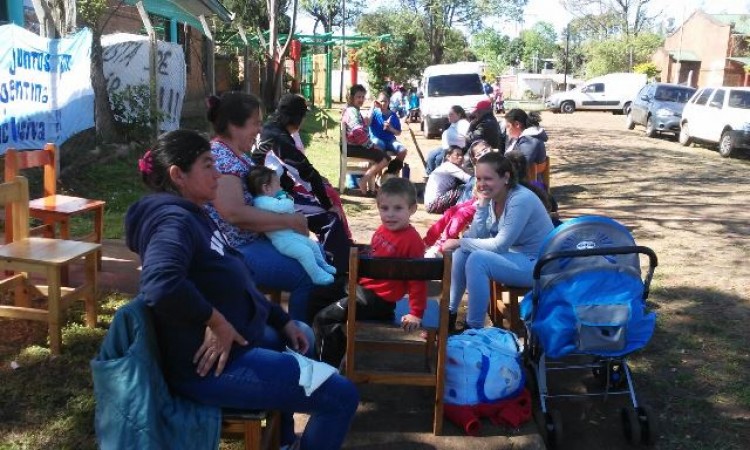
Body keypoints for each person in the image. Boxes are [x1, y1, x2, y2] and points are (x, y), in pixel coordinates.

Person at [125, 130, 359, 450]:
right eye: (208, 165)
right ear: (178, 175)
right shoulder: (173, 221)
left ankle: (283, 441)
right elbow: (160, 283)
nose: (217, 174)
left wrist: (280, 319)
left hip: (240, 340)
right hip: (210, 367)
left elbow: (238, 284)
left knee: (301, 333)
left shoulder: (195, 214)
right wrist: (215, 321)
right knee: (342, 396)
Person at [204, 92, 315, 322]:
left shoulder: (238, 155)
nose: (259, 129)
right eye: (255, 123)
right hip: (234, 251)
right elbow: (234, 213)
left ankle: (292, 330)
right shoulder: (220, 157)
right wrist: (289, 221)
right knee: (308, 274)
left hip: (252, 242)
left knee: (315, 256)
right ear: (234, 125)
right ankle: (299, 337)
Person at [312, 178, 426, 367]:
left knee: (324, 319)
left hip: (377, 301)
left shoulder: (412, 241)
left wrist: (416, 312)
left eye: (398, 208)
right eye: (385, 208)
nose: (390, 214)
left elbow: (418, 279)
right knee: (316, 296)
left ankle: (328, 368)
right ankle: (314, 348)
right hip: (360, 287)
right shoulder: (382, 230)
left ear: (412, 209)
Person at [442, 152, 554, 330]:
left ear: (506, 178)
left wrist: (459, 242)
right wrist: (482, 205)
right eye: (478, 178)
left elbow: (500, 244)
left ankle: (474, 328)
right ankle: (448, 314)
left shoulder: (520, 199)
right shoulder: (493, 198)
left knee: (477, 259)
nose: (481, 184)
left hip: (539, 266)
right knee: (463, 252)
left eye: (488, 178)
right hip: (516, 256)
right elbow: (475, 236)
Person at [254, 93, 353, 250]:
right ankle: (338, 262)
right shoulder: (280, 138)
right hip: (274, 199)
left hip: (270, 191)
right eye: (303, 116)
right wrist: (327, 205)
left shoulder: (269, 129)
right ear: (297, 117)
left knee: (325, 197)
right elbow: (305, 172)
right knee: (331, 218)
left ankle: (342, 249)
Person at [247, 166, 337, 285]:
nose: (281, 188)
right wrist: (287, 198)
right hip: (283, 241)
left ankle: (323, 266)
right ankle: (317, 275)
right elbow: (284, 207)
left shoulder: (269, 200)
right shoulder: (262, 201)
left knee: (313, 245)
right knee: (305, 252)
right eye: (278, 185)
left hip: (290, 236)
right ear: (266, 188)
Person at [341, 84, 390, 195]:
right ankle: (364, 180)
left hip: (353, 146)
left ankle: (370, 184)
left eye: (363, 97)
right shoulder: (353, 112)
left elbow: (366, 123)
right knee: (385, 158)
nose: (361, 99)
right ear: (352, 97)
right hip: (353, 147)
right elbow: (358, 133)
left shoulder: (351, 109)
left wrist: (372, 107)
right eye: (358, 97)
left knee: (381, 153)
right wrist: (372, 146)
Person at [423, 146, 472, 214]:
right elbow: (470, 179)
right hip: (433, 205)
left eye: (461, 155)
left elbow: (473, 176)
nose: (460, 157)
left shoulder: (454, 167)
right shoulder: (448, 166)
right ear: (448, 157)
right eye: (457, 155)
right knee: (465, 188)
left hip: (435, 203)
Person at [503, 109, 547, 184]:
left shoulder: (530, 141)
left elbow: (520, 166)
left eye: (508, 126)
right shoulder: (522, 138)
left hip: (529, 184)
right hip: (523, 181)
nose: (506, 131)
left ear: (517, 124)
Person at [425, 105, 470, 175]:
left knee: (439, 159)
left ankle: (438, 175)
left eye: (451, 114)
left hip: (454, 148)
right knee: (431, 155)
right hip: (445, 147)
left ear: (459, 115)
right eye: (449, 114)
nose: (449, 116)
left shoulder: (463, 123)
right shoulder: (454, 123)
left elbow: (466, 137)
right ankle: (430, 174)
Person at [369, 91, 409, 167]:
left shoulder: (393, 115)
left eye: (385, 101)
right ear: (377, 102)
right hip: (377, 140)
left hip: (390, 141)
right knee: (378, 146)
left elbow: (398, 132)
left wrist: (391, 129)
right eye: (381, 101)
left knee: (403, 151)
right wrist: (372, 107)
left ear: (389, 102)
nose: (383, 103)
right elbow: (367, 123)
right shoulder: (374, 113)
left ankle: (392, 170)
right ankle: (378, 171)